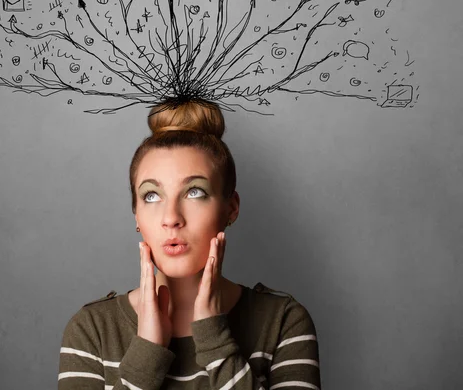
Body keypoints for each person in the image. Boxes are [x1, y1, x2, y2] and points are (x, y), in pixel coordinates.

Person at [58, 98, 321, 389]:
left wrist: (213, 336)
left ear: (231, 208)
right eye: (151, 196)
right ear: (136, 215)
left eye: (195, 192)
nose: (171, 218)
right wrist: (147, 350)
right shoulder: (92, 329)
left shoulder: (282, 321)